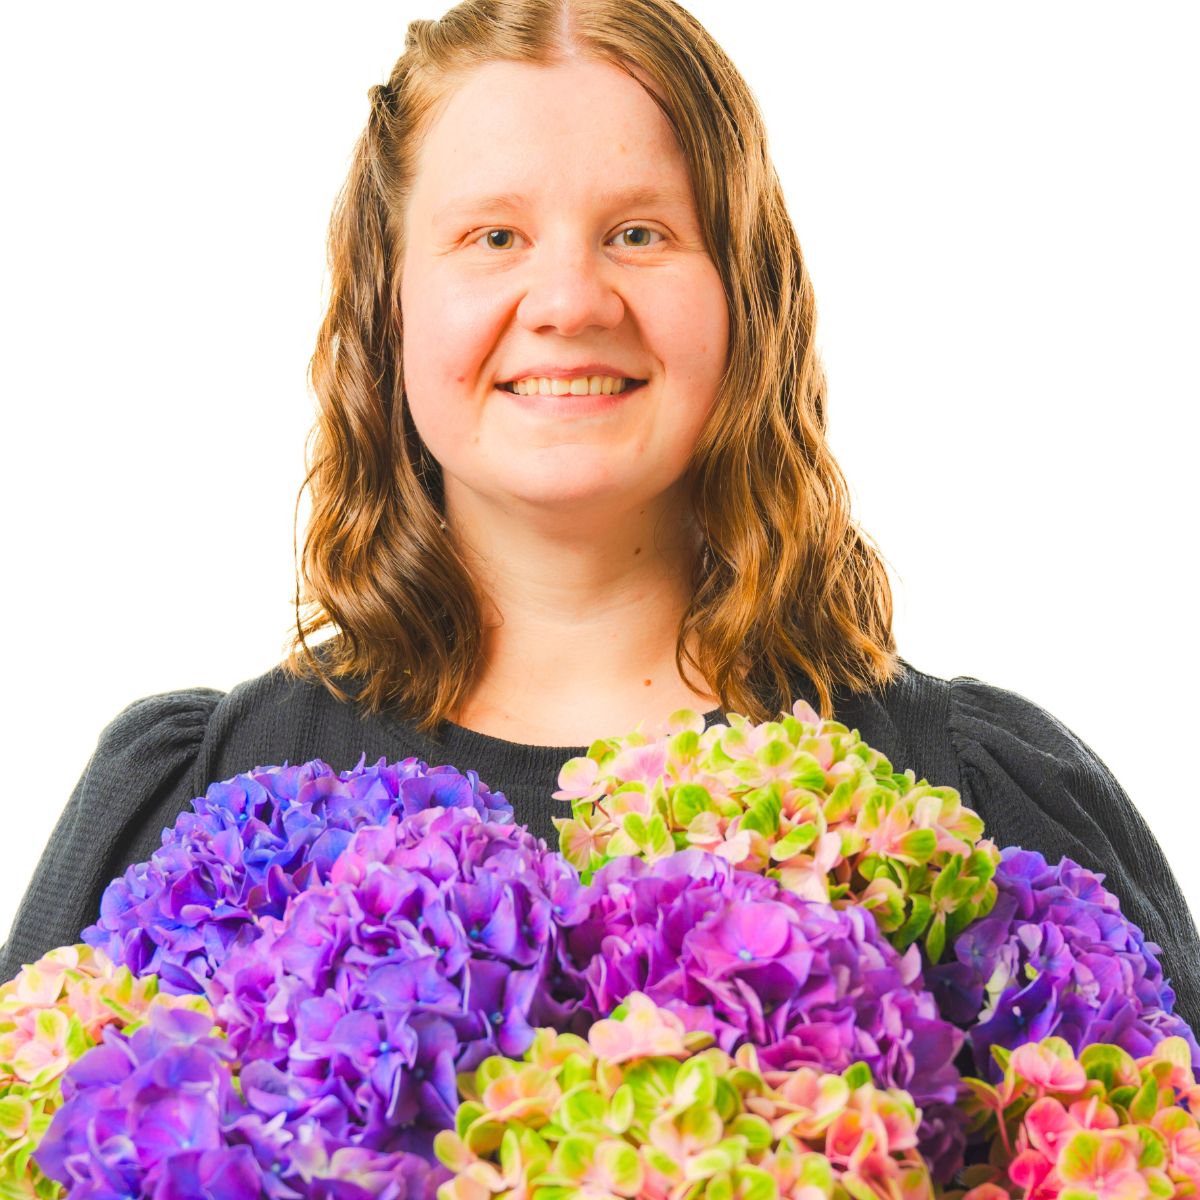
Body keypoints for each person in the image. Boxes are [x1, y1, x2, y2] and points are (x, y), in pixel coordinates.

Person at [3, 0, 1197, 1038]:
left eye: (640, 232)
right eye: (494, 237)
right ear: (390, 306)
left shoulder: (973, 800)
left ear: (747, 298)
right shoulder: (199, 801)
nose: (569, 299)